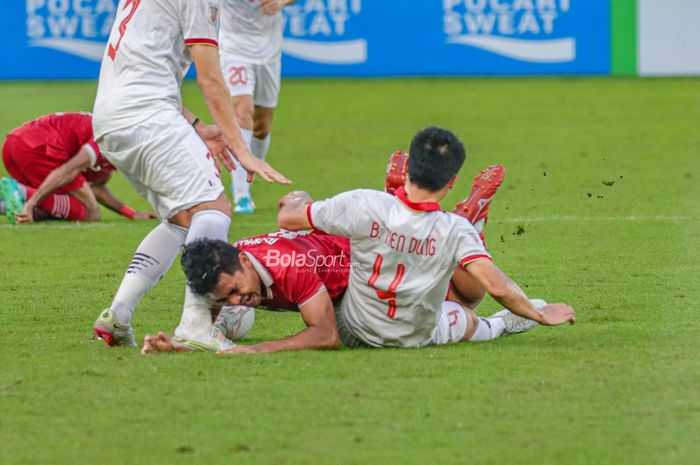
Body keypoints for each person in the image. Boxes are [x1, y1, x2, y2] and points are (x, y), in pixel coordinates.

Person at [142, 144, 569, 354]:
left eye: (236, 290)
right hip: (359, 247)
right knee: (455, 270)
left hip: (372, 269)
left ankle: (500, 318)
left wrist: (246, 352)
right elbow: (291, 217)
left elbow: (325, 335)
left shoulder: (289, 268)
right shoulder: (231, 263)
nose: (238, 300)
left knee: (466, 302)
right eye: (228, 299)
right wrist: (184, 344)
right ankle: (453, 215)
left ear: (240, 262)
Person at [91, 0, 290, 349]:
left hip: (112, 119)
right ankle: (196, 324)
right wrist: (241, 150)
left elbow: (143, 73)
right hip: (147, 115)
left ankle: (117, 316)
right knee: (213, 208)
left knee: (182, 219)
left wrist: (197, 126)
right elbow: (211, 79)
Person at [276, 127, 575, 349]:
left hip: (352, 327)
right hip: (415, 335)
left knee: (339, 248)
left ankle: (392, 197)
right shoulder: (452, 229)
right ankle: (498, 323)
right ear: (451, 182)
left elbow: (288, 218)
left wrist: (299, 197)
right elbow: (498, 286)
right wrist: (540, 315)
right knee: (467, 314)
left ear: (410, 169)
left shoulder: (361, 203)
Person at [0, 112, 155, 224]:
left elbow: (96, 188)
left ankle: (7, 205)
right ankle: (21, 191)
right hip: (40, 147)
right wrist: (32, 202)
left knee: (58, 202)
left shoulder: (118, 150)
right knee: (89, 212)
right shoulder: (111, 138)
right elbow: (69, 169)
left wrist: (130, 213)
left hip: (13, 144)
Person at [220, 0, 295, 213]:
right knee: (243, 112)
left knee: (262, 126)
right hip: (233, 49)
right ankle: (241, 195)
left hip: (268, 52)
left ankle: (251, 172)